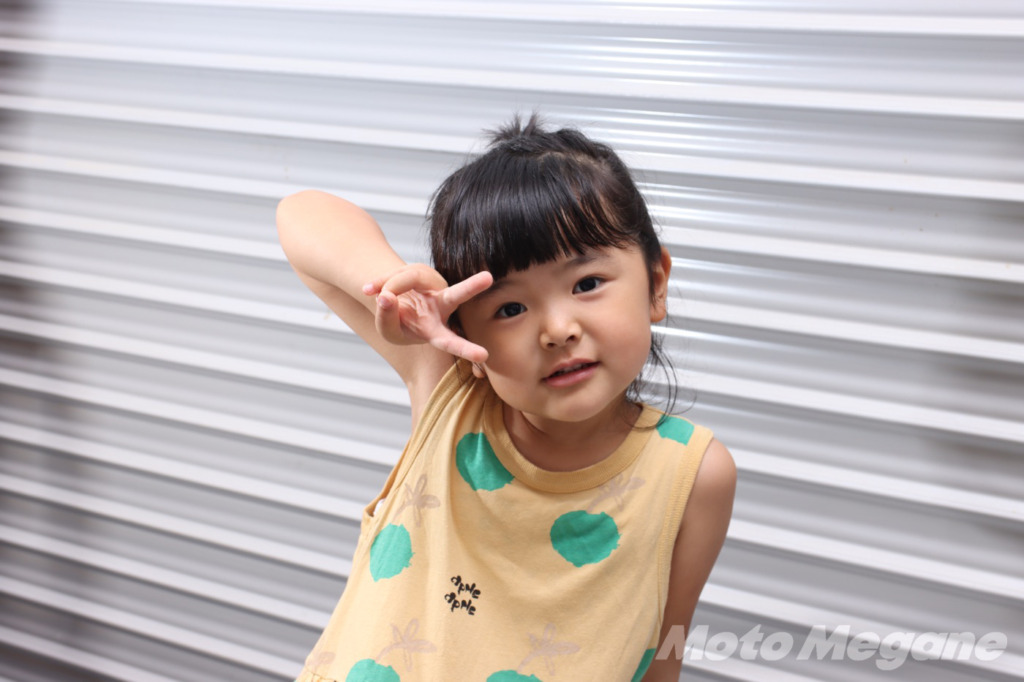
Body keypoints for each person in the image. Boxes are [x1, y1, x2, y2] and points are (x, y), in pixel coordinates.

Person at [277, 114, 736, 682]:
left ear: (656, 284)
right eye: (510, 308)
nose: (557, 330)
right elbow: (300, 214)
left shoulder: (693, 474)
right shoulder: (450, 391)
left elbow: (663, 654)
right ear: (464, 331)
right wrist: (397, 286)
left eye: (587, 284)